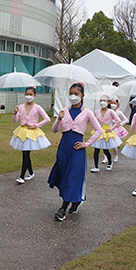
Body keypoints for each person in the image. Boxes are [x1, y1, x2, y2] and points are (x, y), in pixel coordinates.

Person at [48, 82, 102, 221]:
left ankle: (63, 208)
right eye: (71, 93)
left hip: (77, 148)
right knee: (63, 174)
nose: (73, 96)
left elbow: (98, 130)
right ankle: (76, 200)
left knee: (73, 177)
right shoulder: (64, 110)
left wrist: (87, 143)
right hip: (64, 147)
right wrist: (59, 119)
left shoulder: (87, 112)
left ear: (82, 95)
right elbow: (54, 130)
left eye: (76, 94)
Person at [10, 86, 51, 184]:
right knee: (25, 153)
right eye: (27, 94)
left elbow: (47, 119)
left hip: (31, 132)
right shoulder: (20, 107)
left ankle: (21, 176)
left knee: (26, 153)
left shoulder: (37, 107)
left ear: (35, 95)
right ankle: (31, 172)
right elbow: (15, 121)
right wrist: (15, 113)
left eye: (31, 94)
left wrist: (36, 125)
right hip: (22, 131)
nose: (28, 96)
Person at [90, 94, 122, 172]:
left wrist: (111, 128)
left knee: (105, 150)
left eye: (104, 101)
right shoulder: (97, 111)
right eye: (101, 101)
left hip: (106, 132)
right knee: (96, 150)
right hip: (99, 132)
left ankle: (109, 163)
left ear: (108, 102)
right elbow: (93, 120)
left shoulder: (110, 111)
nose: (102, 102)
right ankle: (96, 166)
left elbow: (118, 120)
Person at [107, 97, 128, 163]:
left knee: (114, 144)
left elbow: (126, 120)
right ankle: (106, 157)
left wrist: (120, 124)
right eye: (111, 103)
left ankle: (116, 155)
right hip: (108, 127)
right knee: (106, 143)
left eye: (114, 103)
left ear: (117, 105)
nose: (113, 104)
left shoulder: (119, 112)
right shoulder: (108, 111)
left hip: (115, 128)